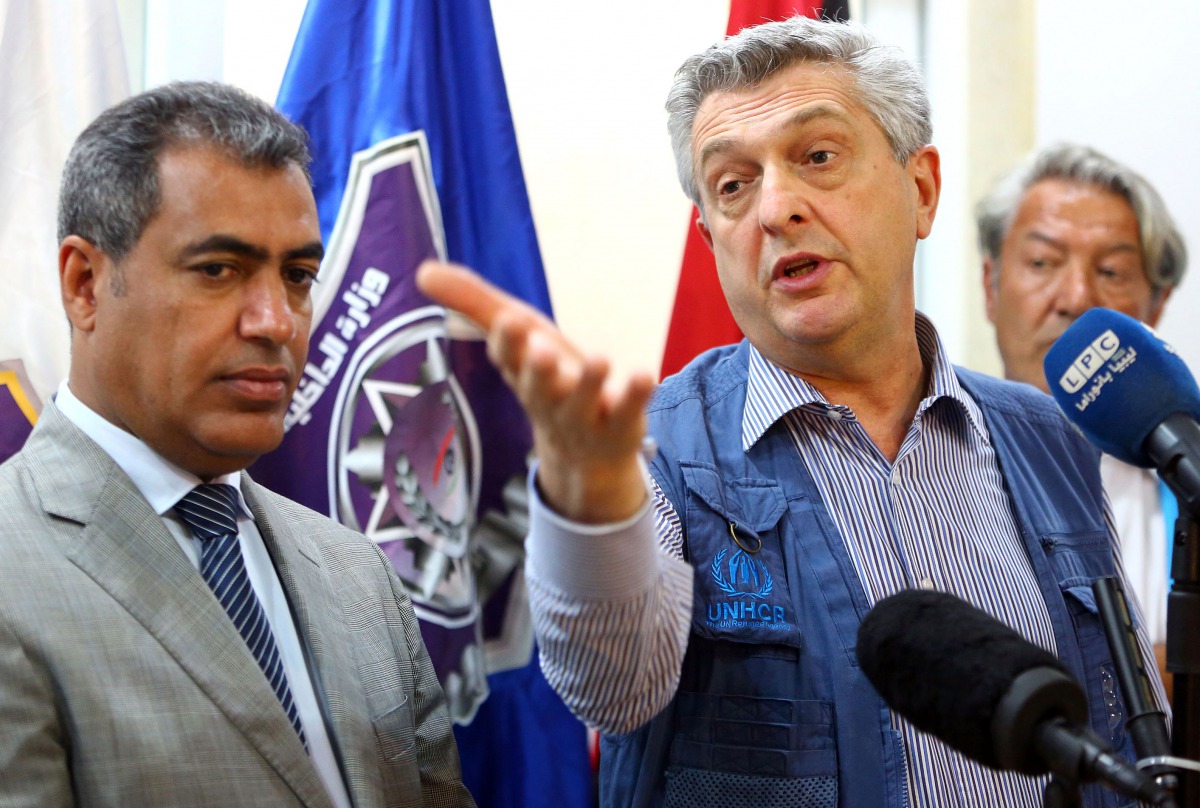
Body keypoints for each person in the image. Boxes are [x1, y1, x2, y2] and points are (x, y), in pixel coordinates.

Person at [419, 17, 1164, 808]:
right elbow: (613, 693)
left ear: (921, 190)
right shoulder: (655, 449)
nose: (775, 209)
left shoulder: (1044, 434)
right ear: (710, 236)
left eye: (817, 156)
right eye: (733, 184)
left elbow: (1126, 713)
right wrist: (588, 493)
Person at [0, 81, 475, 807]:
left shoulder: (357, 573)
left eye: (297, 276)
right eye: (219, 270)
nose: (277, 321)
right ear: (85, 284)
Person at [976, 142, 1188, 671]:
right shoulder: (926, 461)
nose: (1075, 297)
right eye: (1043, 262)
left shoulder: (1187, 466)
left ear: (1155, 304)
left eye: (1112, 272)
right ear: (991, 287)